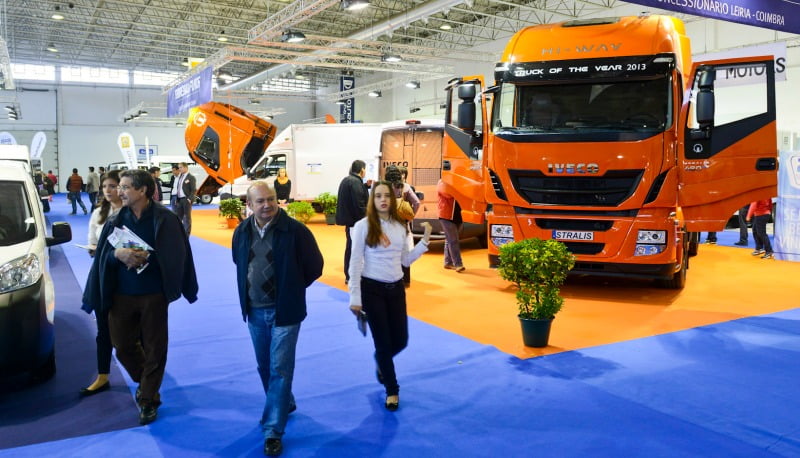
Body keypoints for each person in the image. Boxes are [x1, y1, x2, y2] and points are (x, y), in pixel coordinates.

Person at [81, 169, 198, 425]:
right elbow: (103, 256)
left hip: (154, 296)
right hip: (121, 296)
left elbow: (180, 254)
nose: (119, 191)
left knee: (156, 348)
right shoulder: (115, 220)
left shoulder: (166, 219)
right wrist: (117, 255)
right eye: (119, 187)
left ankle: (148, 399)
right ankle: (146, 383)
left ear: (142, 190)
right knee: (122, 346)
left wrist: (156, 262)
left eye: (125, 187)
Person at [231, 181, 323, 456]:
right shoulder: (241, 231)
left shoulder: (295, 231)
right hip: (254, 310)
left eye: (270, 199)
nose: (267, 205)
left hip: (286, 312)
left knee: (280, 369)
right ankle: (286, 402)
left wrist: (291, 287)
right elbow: (239, 261)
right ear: (249, 204)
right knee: (264, 366)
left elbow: (315, 266)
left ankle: (272, 429)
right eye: (260, 201)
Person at [348, 181, 432, 412]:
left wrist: (425, 240)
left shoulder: (400, 226)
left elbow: (405, 260)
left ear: (393, 199)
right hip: (372, 289)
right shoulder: (363, 226)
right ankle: (392, 389)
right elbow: (354, 263)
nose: (383, 200)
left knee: (401, 340)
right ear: (372, 200)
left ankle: (381, 361)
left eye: (387, 196)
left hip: (396, 289)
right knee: (383, 343)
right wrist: (355, 297)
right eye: (378, 196)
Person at [80, 170, 123, 397]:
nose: (108, 190)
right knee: (103, 330)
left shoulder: (131, 213)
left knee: (132, 331)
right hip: (102, 276)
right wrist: (94, 250)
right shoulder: (98, 213)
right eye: (105, 186)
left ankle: (145, 377)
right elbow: (92, 241)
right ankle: (103, 376)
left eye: (113, 186)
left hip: (127, 279)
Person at [336, 160, 371, 283]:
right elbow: (359, 204)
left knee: (350, 248)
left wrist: (365, 186)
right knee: (356, 250)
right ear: (362, 170)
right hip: (356, 223)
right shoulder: (355, 182)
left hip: (350, 222)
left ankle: (349, 276)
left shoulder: (348, 180)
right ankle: (353, 276)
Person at [385, 165, 419, 287]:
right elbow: (417, 202)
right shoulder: (405, 187)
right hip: (403, 224)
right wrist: (410, 216)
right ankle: (406, 280)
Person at [437, 179, 465, 272]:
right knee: (453, 240)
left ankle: (448, 262)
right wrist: (460, 190)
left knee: (449, 239)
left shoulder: (458, 181)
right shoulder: (442, 182)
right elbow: (448, 194)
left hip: (458, 215)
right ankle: (458, 264)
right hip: (446, 216)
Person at [171, 162, 196, 235]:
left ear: (186, 167)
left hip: (186, 199)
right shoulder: (180, 177)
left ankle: (186, 235)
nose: (179, 169)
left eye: (181, 167)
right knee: (178, 218)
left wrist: (189, 199)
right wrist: (177, 199)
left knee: (187, 218)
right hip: (179, 200)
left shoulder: (191, 177)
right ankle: (179, 234)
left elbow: (193, 190)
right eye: (179, 167)